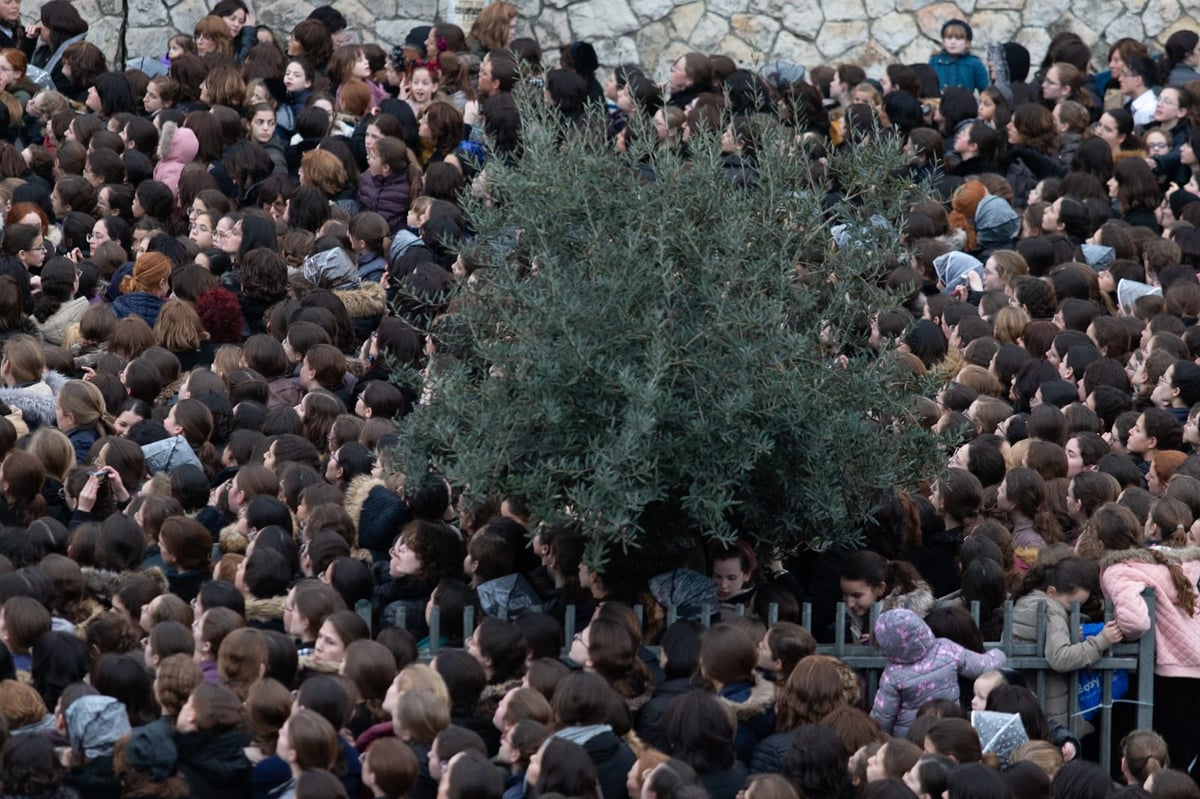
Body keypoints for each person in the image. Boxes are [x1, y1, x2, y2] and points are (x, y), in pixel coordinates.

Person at [869, 608, 1006, 737]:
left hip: (912, 736)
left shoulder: (892, 674)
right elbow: (984, 665)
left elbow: (882, 716)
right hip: (949, 726)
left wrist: (876, 737)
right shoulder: (946, 649)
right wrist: (998, 654)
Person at [929, 19, 988, 93]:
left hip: (965, 103)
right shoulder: (935, 61)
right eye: (949, 38)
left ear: (967, 43)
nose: (953, 42)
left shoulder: (975, 63)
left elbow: (985, 90)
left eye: (958, 38)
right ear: (943, 41)